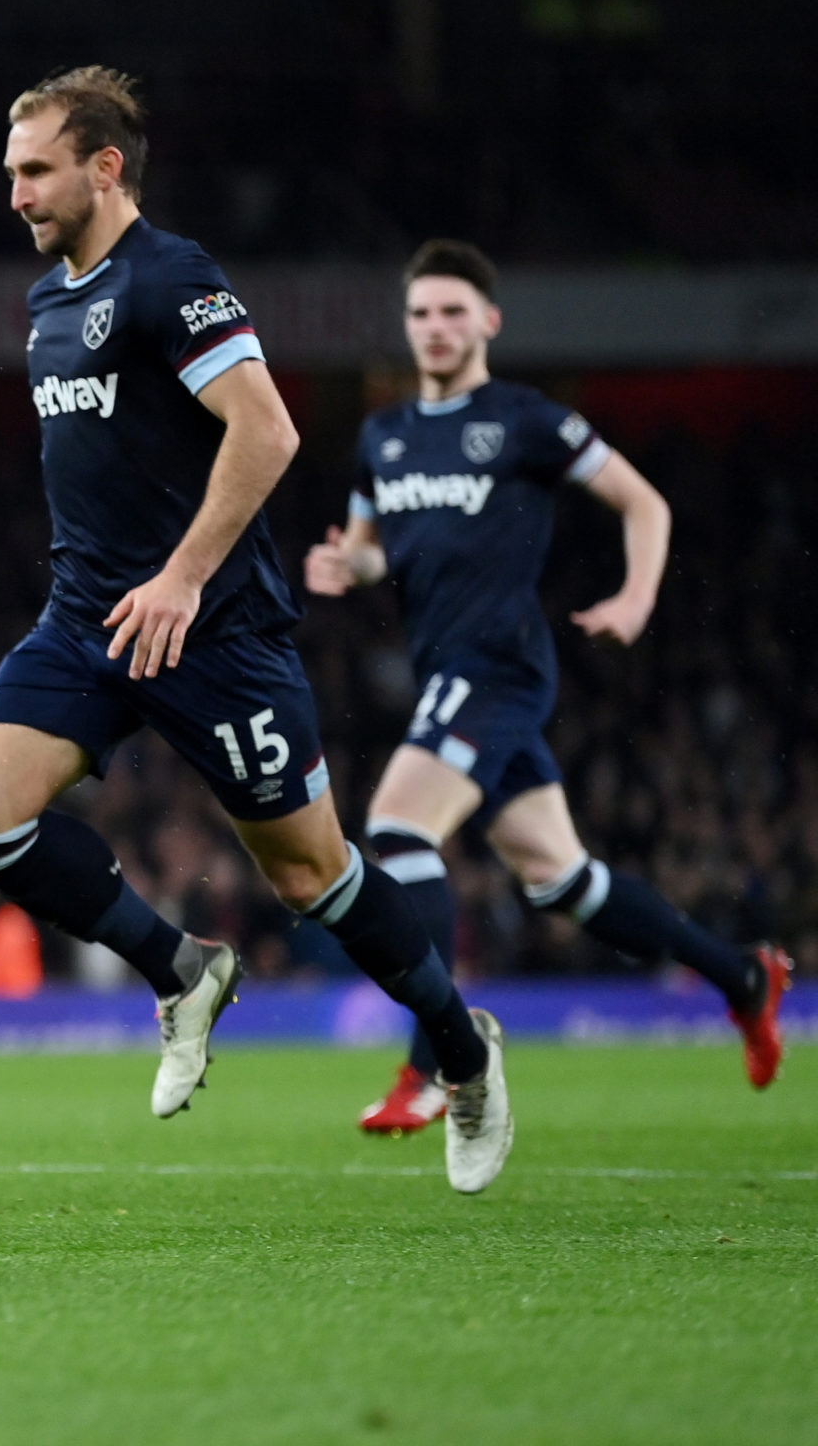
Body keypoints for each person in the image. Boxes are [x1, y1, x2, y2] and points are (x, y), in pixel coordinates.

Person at [0, 66, 512, 1192]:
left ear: (104, 167)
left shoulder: (172, 276)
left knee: (310, 876)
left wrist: (181, 577)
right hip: (87, 621)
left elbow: (267, 430)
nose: (13, 193)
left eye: (35, 170)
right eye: (9, 172)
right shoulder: (47, 301)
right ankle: (180, 968)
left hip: (213, 631)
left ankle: (461, 1049)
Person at [307, 240, 792, 1132]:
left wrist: (637, 596)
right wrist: (350, 561)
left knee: (398, 827)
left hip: (498, 665)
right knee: (562, 880)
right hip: (448, 672)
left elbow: (645, 502)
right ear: (407, 328)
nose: (437, 328)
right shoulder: (385, 436)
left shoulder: (526, 420)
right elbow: (380, 548)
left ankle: (436, 1064)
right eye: (422, 314)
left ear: (488, 322)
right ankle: (744, 976)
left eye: (455, 312)